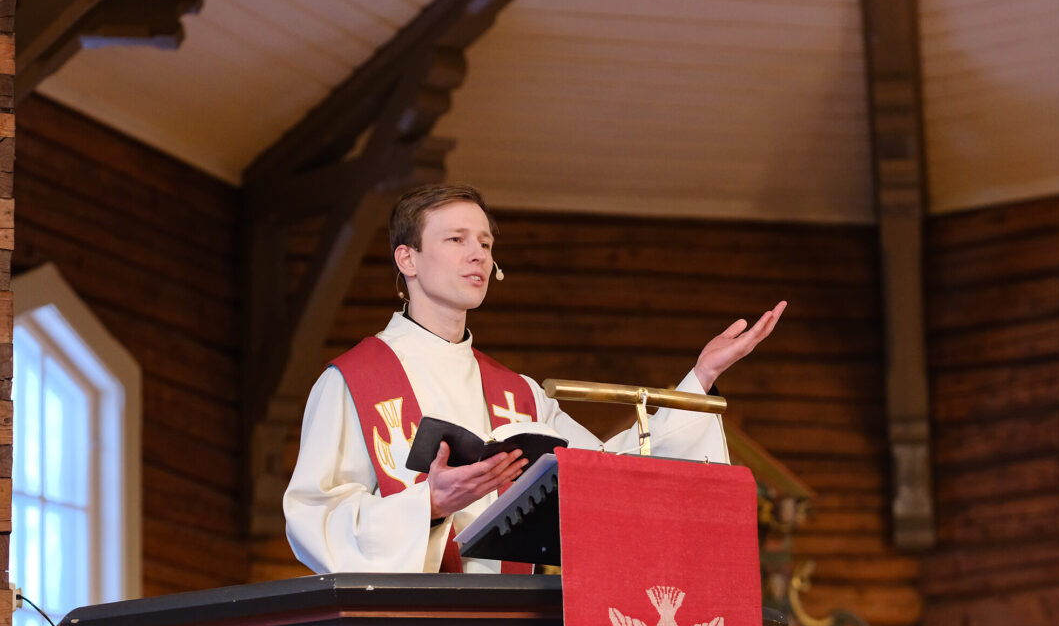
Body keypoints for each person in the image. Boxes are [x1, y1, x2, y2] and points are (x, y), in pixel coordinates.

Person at [283, 185, 785, 574]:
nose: (479, 254)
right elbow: (314, 520)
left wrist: (700, 378)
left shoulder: (519, 394)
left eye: (485, 242)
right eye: (456, 239)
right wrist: (428, 506)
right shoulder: (354, 381)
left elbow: (607, 477)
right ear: (406, 258)